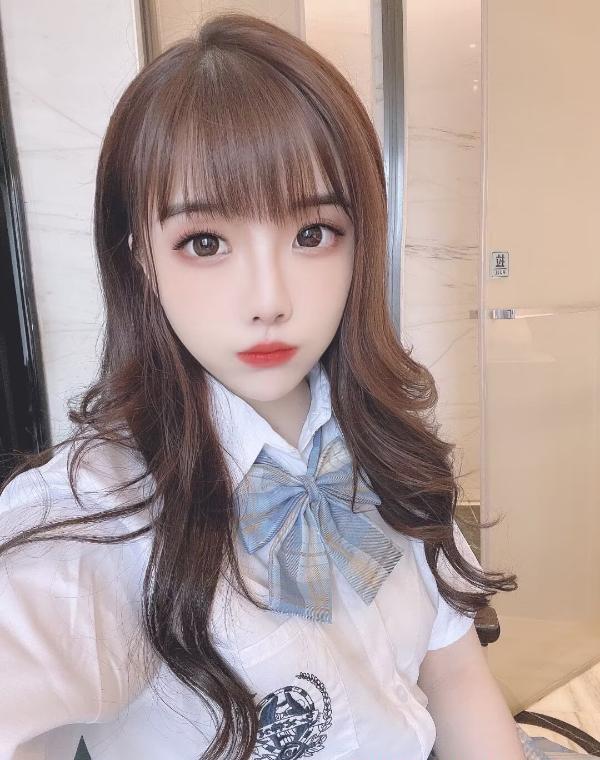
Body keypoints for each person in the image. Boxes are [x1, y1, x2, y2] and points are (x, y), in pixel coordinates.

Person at [0, 12, 593, 760]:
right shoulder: (92, 517)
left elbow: (451, 674)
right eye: (205, 242)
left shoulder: (383, 443)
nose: (269, 298)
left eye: (312, 234)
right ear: (140, 258)